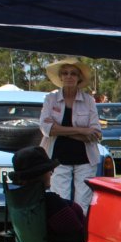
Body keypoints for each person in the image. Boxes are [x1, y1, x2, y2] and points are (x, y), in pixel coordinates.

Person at [39, 58, 102, 213]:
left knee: (83, 204)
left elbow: (95, 133)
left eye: (73, 73)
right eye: (65, 73)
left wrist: (61, 130)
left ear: (79, 78)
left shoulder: (88, 100)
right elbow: (47, 129)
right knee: (60, 201)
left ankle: (80, 228)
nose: (69, 76)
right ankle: (63, 228)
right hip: (58, 159)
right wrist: (82, 130)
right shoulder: (50, 99)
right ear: (60, 77)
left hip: (85, 159)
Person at [7, 146, 88, 242]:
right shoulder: (51, 202)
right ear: (41, 174)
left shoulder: (17, 200)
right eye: (49, 170)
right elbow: (79, 234)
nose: (51, 173)